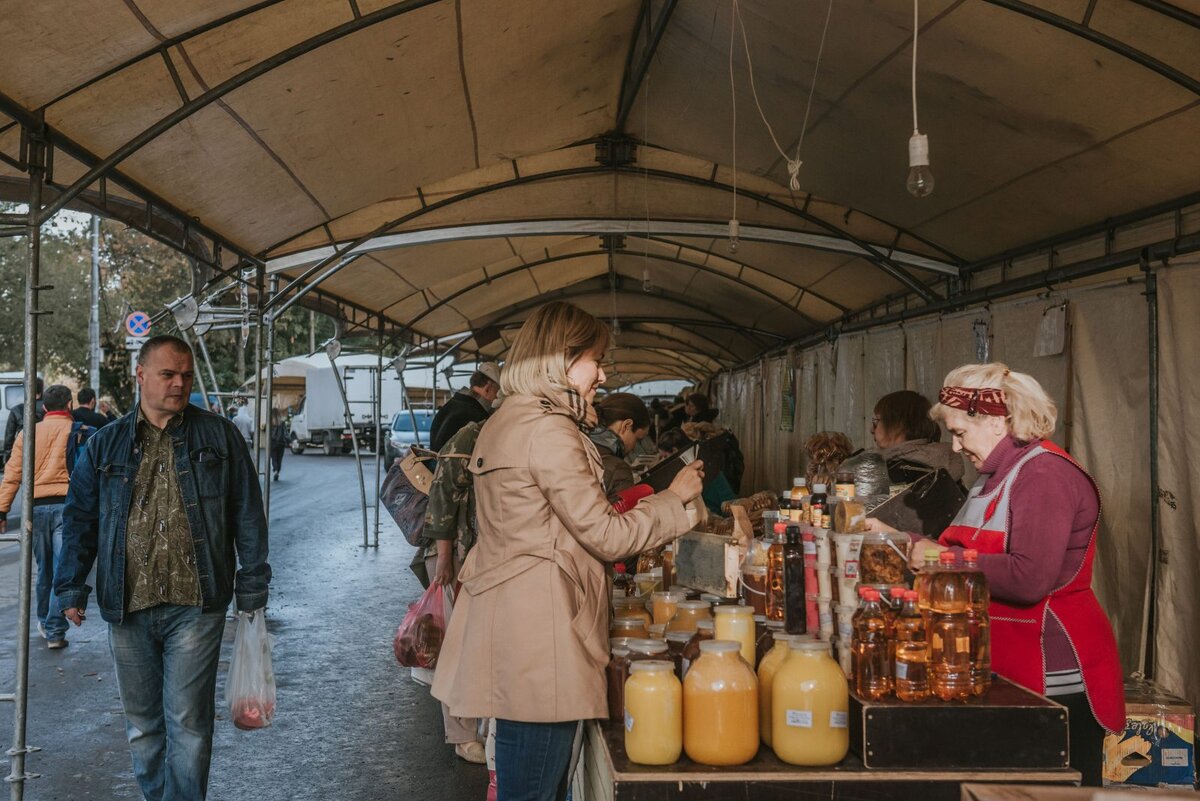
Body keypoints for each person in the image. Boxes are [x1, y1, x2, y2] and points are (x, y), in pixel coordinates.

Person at [432, 302, 703, 801]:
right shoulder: (548, 429)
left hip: (518, 623)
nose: (603, 373)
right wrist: (675, 498)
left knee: (528, 777)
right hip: (542, 635)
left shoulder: (509, 418)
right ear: (561, 357)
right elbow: (605, 534)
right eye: (595, 360)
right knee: (535, 787)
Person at [867, 363, 1123, 786]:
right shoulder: (994, 475)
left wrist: (937, 559)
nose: (955, 445)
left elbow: (1029, 577)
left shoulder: (1043, 474)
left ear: (995, 420)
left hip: (1049, 672)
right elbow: (963, 550)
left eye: (960, 432)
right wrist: (901, 539)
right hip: (1009, 659)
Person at [56, 335, 271, 801]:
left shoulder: (219, 436)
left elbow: (247, 513)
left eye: (186, 375)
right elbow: (79, 520)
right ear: (141, 375)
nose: (179, 384)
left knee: (190, 724)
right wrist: (71, 588)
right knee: (142, 728)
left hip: (196, 605)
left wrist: (252, 589)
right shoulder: (105, 444)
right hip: (127, 606)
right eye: (168, 374)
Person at [423, 419, 488, 765]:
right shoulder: (472, 436)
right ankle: (462, 735)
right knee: (459, 648)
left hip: (476, 556)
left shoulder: (498, 432)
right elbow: (442, 498)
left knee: (474, 646)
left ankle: (475, 729)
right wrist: (446, 560)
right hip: (459, 556)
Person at [0, 384, 85, 649]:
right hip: (66, 508)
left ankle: (44, 622)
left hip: (34, 510)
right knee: (62, 568)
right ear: (69, 405)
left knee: (44, 570)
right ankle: (54, 630)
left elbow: (12, 475)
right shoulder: (77, 432)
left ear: (44, 407)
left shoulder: (27, 434)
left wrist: (2, 509)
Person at [871, 389, 964, 482]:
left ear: (897, 425)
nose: (871, 430)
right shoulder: (943, 464)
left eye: (876, 422)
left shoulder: (894, 473)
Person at [588, 392, 651, 499]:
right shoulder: (618, 469)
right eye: (638, 440)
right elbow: (626, 515)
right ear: (626, 425)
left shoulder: (578, 442)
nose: (633, 448)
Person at [429, 362, 501, 451]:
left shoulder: (451, 405)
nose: (498, 396)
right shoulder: (477, 416)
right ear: (488, 388)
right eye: (498, 390)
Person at [3, 376, 44, 464]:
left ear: (25, 390)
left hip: (24, 453)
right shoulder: (50, 408)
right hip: (46, 453)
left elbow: (9, 437)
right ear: (41, 391)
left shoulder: (17, 410)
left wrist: (7, 457)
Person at [268, 408, 288, 481]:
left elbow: (267, 432)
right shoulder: (282, 423)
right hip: (281, 443)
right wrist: (289, 441)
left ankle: (275, 470)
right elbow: (285, 433)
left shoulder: (269, 422)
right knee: (279, 459)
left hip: (272, 443)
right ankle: (277, 471)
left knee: (274, 458)